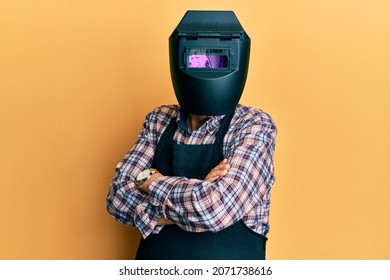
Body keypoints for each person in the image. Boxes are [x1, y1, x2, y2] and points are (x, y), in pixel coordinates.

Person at [106, 11, 277, 260]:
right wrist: (202, 189)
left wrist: (150, 181)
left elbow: (216, 209)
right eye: (198, 60)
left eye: (217, 61)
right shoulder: (159, 119)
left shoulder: (253, 124)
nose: (207, 69)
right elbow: (117, 198)